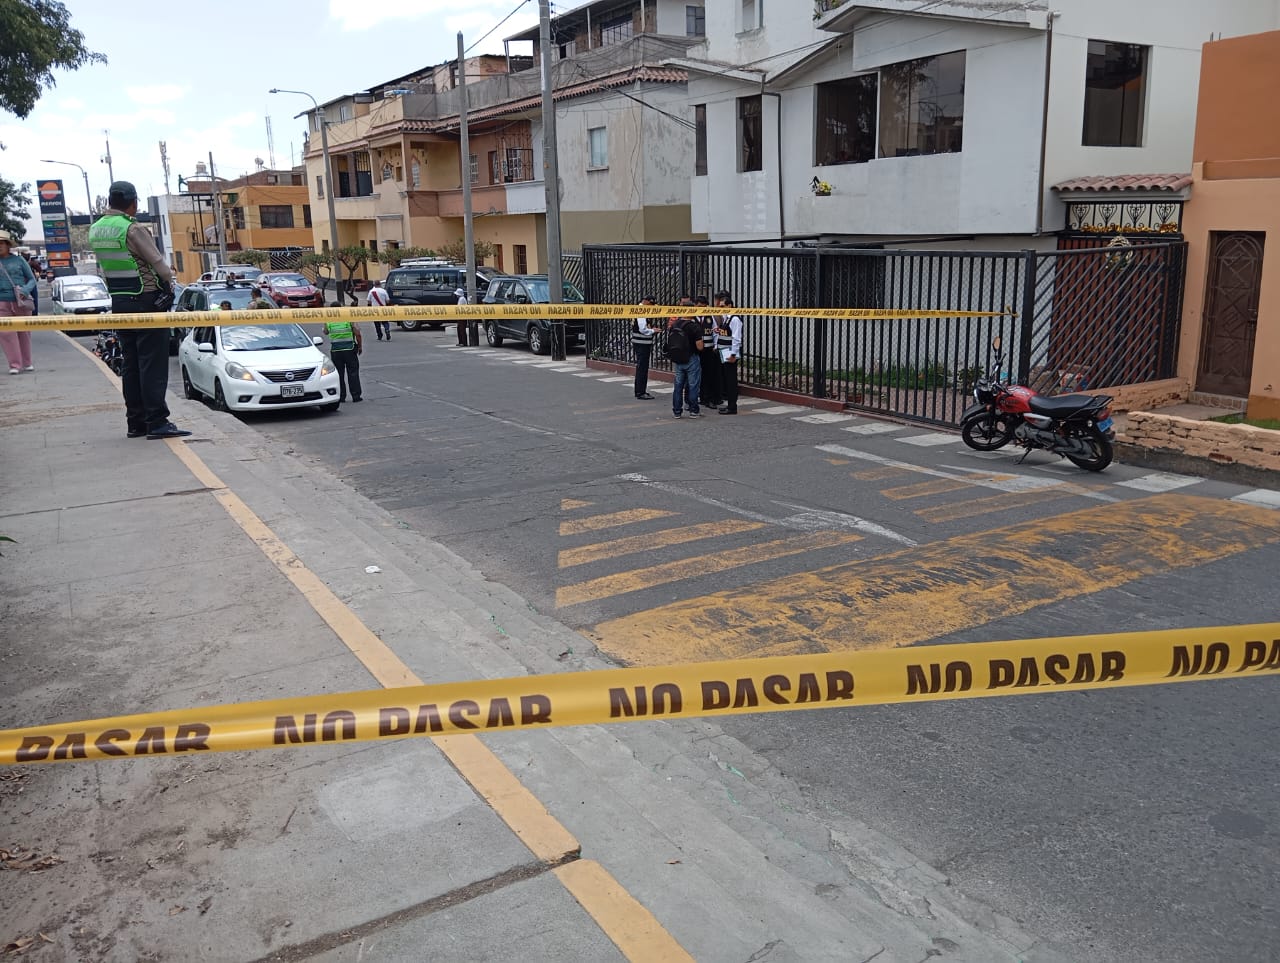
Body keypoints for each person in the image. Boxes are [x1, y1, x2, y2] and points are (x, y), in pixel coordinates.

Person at [87, 181, 189, 439]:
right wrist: (169, 282)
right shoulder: (132, 228)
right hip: (146, 300)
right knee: (152, 364)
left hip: (119, 302)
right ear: (133, 202)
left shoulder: (96, 229)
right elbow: (158, 263)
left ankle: (136, 422)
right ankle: (156, 421)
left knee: (131, 364)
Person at [0, 230, 38, 374]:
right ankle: (14, 365)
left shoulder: (19, 260)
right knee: (6, 334)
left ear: (8, 245)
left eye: (2, 243)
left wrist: (25, 291)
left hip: (21, 301)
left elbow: (32, 279)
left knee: (24, 332)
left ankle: (27, 362)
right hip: (2, 302)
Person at [668, 296, 703, 418]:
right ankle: (693, 410)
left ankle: (677, 411)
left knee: (678, 386)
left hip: (678, 359)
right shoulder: (694, 326)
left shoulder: (675, 324)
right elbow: (700, 346)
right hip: (691, 358)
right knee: (693, 385)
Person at [714, 290, 743, 415]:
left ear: (729, 306)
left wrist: (733, 355)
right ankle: (729, 404)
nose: (720, 308)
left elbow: (737, 339)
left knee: (731, 381)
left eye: (722, 306)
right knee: (726, 379)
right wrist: (718, 331)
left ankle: (732, 407)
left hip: (730, 353)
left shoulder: (735, 319)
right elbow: (726, 333)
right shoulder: (727, 318)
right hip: (724, 351)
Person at [323, 315, 363, 402]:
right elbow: (358, 334)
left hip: (335, 351)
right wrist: (360, 347)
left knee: (339, 374)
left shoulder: (328, 320)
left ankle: (341, 396)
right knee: (353, 373)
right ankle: (356, 396)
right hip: (349, 350)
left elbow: (325, 332)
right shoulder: (349, 318)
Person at [695, 294, 721, 409]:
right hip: (695, 351)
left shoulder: (709, 316)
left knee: (708, 375)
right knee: (694, 375)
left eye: (704, 307)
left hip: (708, 350)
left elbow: (715, 331)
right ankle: (695, 398)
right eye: (700, 307)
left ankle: (708, 398)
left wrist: (715, 345)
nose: (702, 309)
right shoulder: (691, 316)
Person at [632, 296, 657, 400]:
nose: (651, 307)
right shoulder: (641, 310)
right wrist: (653, 331)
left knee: (641, 367)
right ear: (646, 302)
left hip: (641, 343)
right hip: (642, 343)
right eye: (651, 305)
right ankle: (640, 392)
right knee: (642, 368)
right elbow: (643, 329)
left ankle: (640, 390)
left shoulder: (641, 309)